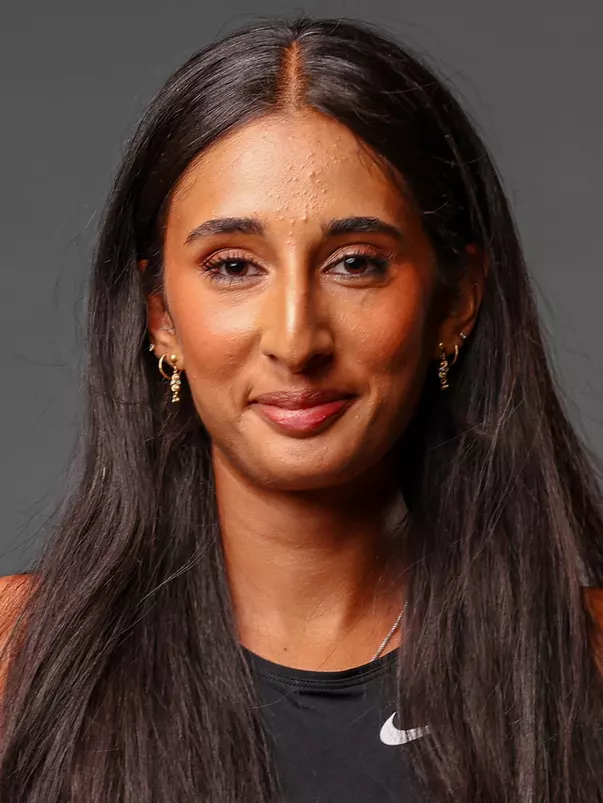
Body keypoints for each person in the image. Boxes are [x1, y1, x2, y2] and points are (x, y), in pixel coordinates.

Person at [0, 13, 602, 803]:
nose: (295, 338)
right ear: (161, 317)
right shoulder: (19, 660)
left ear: (455, 299)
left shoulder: (586, 660)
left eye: (355, 263)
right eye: (233, 265)